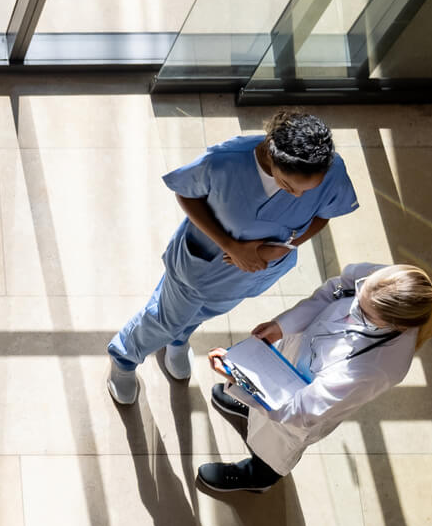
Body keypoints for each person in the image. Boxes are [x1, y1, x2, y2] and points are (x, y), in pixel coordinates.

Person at [106, 111, 358, 406]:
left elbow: (323, 213)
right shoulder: (225, 161)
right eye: (289, 187)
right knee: (164, 317)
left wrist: (288, 244)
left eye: (308, 190)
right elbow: (185, 194)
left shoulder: (331, 170)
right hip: (204, 261)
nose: (298, 197)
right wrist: (231, 246)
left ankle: (177, 339)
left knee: (205, 311)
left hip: (253, 272)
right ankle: (124, 358)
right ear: (271, 156)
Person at [196, 262, 432, 497]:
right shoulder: (385, 282)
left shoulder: (375, 368)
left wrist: (243, 381)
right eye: (359, 294)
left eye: (362, 310)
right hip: (294, 358)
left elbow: (300, 411)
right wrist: (283, 325)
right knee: (262, 412)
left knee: (275, 445)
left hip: (300, 404)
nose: (354, 303)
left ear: (395, 326)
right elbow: (333, 291)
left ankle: (259, 477)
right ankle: (252, 409)